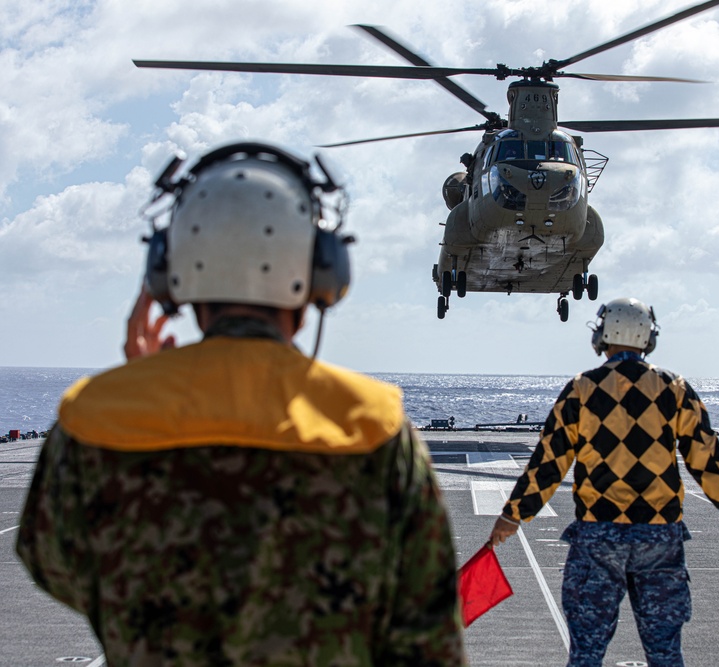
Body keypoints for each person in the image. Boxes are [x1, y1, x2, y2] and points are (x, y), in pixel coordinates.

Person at [17, 141, 466, 666]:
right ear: (323, 272)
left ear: (173, 268)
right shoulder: (371, 423)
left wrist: (139, 387)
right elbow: (428, 638)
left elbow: (51, 561)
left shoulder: (93, 417)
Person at [489, 297, 719, 667]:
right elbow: (707, 459)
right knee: (665, 652)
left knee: (587, 652)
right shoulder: (675, 388)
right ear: (648, 338)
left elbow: (548, 464)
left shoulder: (581, 390)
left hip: (598, 537)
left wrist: (513, 516)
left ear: (602, 336)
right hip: (659, 538)